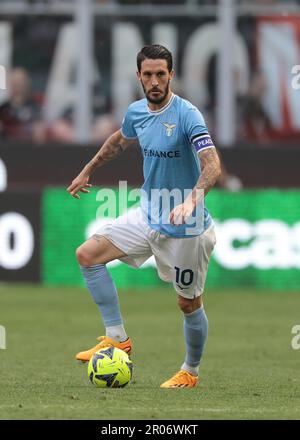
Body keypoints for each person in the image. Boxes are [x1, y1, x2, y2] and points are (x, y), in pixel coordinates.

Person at [67, 45, 221, 388]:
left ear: (171, 75)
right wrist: (88, 169)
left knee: (188, 304)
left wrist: (192, 200)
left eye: (161, 74)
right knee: (87, 256)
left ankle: (190, 372)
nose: (154, 81)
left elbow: (213, 164)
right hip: (148, 215)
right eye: (148, 74)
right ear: (139, 76)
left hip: (187, 227)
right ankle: (117, 338)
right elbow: (119, 142)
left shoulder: (187, 115)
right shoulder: (137, 112)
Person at [0, 67, 47, 143]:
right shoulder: (4, 108)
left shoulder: (34, 106)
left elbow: (39, 132)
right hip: (7, 148)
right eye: (14, 80)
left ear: (25, 83)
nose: (16, 84)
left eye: (19, 80)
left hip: (27, 149)